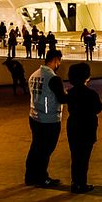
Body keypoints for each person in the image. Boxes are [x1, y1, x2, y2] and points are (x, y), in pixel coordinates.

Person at [25, 49, 67, 188]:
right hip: (49, 119)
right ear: (55, 60)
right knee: (46, 150)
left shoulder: (33, 75)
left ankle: (30, 176)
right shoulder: (53, 78)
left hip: (34, 116)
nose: (59, 64)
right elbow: (62, 98)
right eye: (59, 61)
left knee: (35, 147)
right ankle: (42, 177)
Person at [65, 62, 102, 194]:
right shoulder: (91, 93)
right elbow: (98, 108)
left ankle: (75, 182)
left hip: (73, 124)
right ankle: (82, 183)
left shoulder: (70, 93)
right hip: (87, 125)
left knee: (75, 155)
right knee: (84, 156)